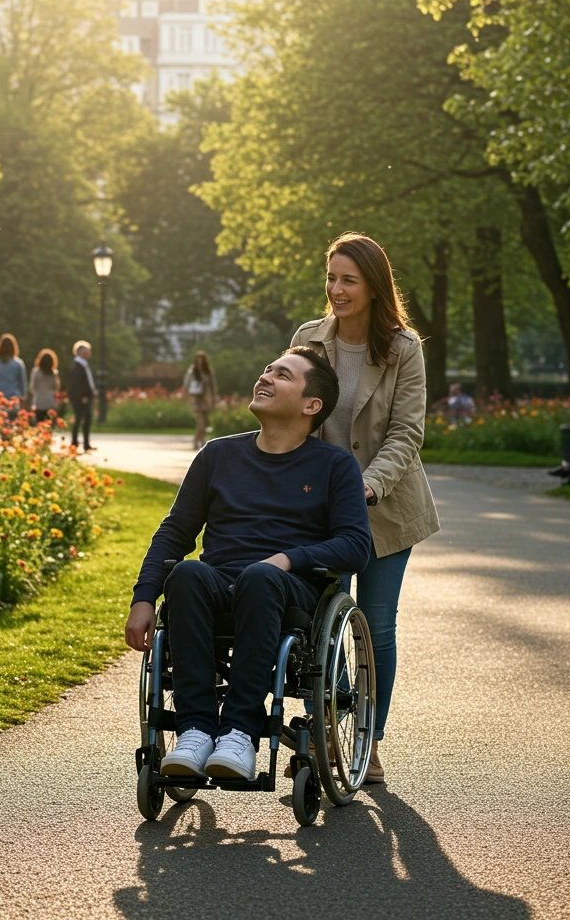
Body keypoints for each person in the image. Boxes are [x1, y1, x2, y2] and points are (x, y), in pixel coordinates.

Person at [124, 347, 371, 781]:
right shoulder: (217, 455)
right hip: (219, 581)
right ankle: (196, 731)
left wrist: (290, 559)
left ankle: (240, 732)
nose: (266, 377)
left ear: (311, 406)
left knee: (261, 576)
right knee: (187, 573)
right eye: (267, 369)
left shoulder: (335, 465)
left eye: (283, 375)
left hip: (290, 588)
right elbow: (174, 533)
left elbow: (355, 545)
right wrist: (144, 597)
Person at [291, 232, 440, 785]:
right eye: (331, 278)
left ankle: (368, 741)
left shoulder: (404, 349)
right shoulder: (310, 338)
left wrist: (368, 486)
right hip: (319, 506)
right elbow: (293, 411)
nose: (336, 290)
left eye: (348, 280)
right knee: (321, 630)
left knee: (376, 627)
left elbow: (406, 433)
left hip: (386, 502)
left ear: (375, 287)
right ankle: (325, 736)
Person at [184, 350, 217, 450]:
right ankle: (198, 442)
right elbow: (186, 385)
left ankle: (200, 441)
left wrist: (213, 398)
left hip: (205, 400)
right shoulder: (193, 371)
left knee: (205, 422)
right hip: (196, 399)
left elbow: (212, 386)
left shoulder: (208, 372)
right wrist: (188, 398)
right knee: (200, 423)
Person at [68, 340, 97, 453]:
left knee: (86, 421)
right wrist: (83, 396)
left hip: (85, 398)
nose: (88, 354)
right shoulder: (77, 366)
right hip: (81, 399)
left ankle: (86, 444)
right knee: (79, 420)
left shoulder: (83, 365)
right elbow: (76, 384)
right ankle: (75, 443)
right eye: (86, 351)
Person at [30, 348, 61, 423]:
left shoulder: (36, 372)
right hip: (50, 402)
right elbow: (57, 387)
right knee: (48, 426)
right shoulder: (54, 373)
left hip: (39, 402)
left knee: (39, 424)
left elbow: (32, 387)